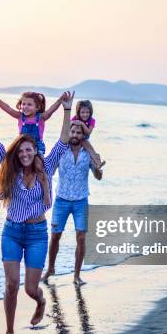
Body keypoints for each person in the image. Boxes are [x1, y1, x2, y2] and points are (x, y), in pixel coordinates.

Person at [0, 90, 74, 334]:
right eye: (20, 151)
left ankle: (41, 301)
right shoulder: (9, 165)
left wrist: (66, 110)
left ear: (35, 150)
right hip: (11, 232)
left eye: (28, 150)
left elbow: (63, 142)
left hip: (36, 234)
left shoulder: (46, 166)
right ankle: (10, 332)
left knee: (30, 289)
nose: (24, 154)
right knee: (11, 284)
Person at [41, 121, 103, 285]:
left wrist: (98, 167)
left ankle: (76, 275)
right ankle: (51, 269)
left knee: (81, 238)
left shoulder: (88, 153)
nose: (75, 135)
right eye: (72, 132)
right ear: (68, 133)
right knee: (55, 236)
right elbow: (48, 170)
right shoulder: (61, 151)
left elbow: (98, 176)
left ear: (83, 136)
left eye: (78, 133)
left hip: (81, 201)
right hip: (61, 199)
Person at [0, 91, 64, 206]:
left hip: (37, 148)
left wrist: (60, 100)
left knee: (39, 167)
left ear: (37, 107)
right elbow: (7, 108)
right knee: (9, 165)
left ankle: (46, 194)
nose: (25, 107)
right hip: (21, 147)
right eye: (23, 104)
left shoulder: (41, 118)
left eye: (29, 104)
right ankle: (4, 190)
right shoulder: (20, 117)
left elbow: (51, 110)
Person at [72, 100, 104, 169]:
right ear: (78, 112)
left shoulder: (92, 120)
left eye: (87, 112)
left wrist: (82, 124)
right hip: (75, 138)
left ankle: (98, 164)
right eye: (82, 112)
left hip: (84, 139)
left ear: (90, 112)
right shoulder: (75, 118)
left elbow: (88, 132)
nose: (85, 114)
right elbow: (69, 126)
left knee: (91, 150)